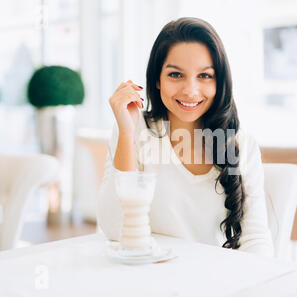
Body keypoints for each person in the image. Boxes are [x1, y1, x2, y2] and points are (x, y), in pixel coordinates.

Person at [98, 17, 274, 257]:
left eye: (204, 76)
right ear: (157, 80)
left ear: (220, 82)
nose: (190, 90)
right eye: (176, 75)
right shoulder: (133, 129)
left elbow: (255, 240)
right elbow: (114, 229)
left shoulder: (241, 143)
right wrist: (127, 134)